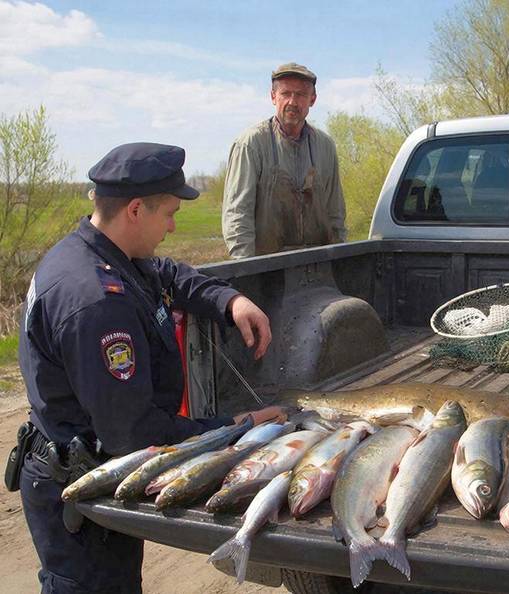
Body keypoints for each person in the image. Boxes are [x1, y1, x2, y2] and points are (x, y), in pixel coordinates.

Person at [15, 142, 285, 593]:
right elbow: (136, 433)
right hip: (83, 489)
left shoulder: (102, 252)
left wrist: (229, 300)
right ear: (137, 210)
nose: (174, 226)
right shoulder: (97, 302)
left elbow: (169, 274)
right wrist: (237, 426)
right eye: (170, 213)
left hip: (87, 468)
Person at [222, 62, 347, 257]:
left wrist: (340, 258)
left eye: (301, 95)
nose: (293, 102)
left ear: (312, 99)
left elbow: (335, 212)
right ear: (273, 97)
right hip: (266, 268)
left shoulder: (325, 146)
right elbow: (237, 215)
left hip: (317, 266)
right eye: (286, 94)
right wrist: (246, 269)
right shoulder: (250, 144)